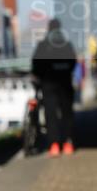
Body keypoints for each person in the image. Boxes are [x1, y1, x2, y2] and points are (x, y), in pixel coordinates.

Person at [31, 19, 78, 156]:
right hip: (65, 83)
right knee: (67, 113)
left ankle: (54, 145)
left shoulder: (43, 45)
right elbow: (73, 62)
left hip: (48, 84)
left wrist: (41, 76)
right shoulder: (67, 44)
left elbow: (36, 65)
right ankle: (68, 142)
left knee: (50, 114)